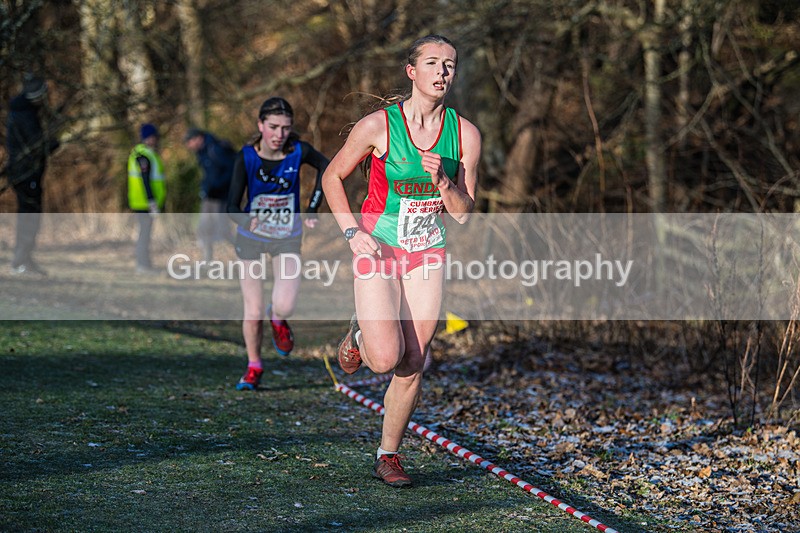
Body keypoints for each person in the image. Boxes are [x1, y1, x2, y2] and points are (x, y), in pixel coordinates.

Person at [321, 34, 481, 487]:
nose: (442, 72)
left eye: (449, 64)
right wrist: (351, 233)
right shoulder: (378, 126)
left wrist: (445, 183)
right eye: (432, 63)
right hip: (379, 248)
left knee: (413, 360)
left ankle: (388, 455)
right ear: (412, 71)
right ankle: (359, 334)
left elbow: (464, 213)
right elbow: (332, 176)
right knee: (383, 358)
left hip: (427, 252)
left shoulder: (465, 134)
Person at [227, 97, 328, 391]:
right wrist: (247, 221)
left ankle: (279, 318)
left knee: (285, 304)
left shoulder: (298, 151)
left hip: (287, 237)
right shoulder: (246, 157)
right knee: (253, 309)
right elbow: (231, 207)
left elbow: (327, 167)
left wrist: (313, 208)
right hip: (251, 240)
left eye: (285, 128)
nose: (279, 134)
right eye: (273, 127)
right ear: (261, 125)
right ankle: (254, 367)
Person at [6, 73, 60, 276]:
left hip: (26, 173)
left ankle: (24, 259)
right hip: (26, 174)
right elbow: (35, 146)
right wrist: (53, 144)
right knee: (29, 217)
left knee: (29, 216)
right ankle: (21, 261)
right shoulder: (25, 116)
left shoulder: (21, 112)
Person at [184, 127, 236, 261]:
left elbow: (231, 170)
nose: (189, 146)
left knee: (224, 231)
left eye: (189, 142)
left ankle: (247, 254)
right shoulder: (201, 152)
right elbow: (208, 173)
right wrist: (205, 187)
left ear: (198, 138)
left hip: (221, 196)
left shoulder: (215, 149)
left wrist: (217, 185)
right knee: (204, 228)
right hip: (209, 196)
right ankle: (207, 261)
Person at [127, 123, 166, 274]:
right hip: (144, 202)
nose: (154, 139)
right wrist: (151, 201)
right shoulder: (143, 155)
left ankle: (145, 263)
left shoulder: (147, 153)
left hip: (144, 202)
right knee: (144, 234)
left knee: (146, 234)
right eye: (152, 137)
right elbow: (145, 180)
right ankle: (142, 265)